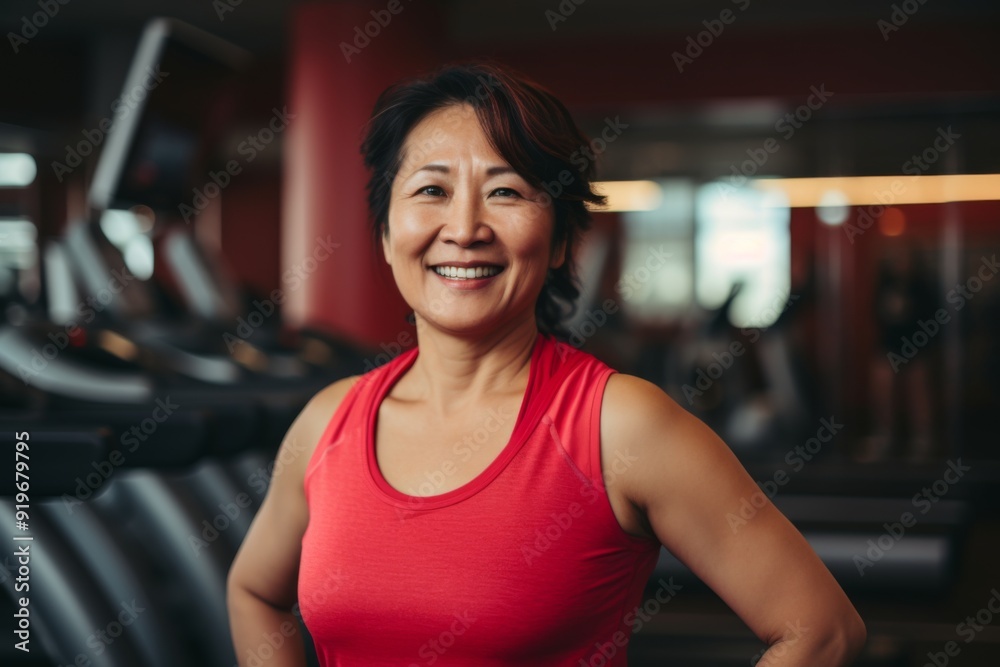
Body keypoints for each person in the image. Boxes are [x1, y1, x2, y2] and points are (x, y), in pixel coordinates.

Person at [227, 62, 866, 666]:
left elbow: (821, 631)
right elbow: (255, 592)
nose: (465, 227)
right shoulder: (327, 422)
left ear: (560, 239)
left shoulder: (622, 426)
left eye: (505, 191)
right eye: (431, 190)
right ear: (388, 235)